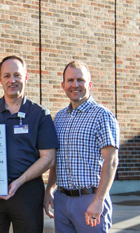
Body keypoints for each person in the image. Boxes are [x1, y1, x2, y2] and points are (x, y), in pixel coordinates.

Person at [0, 55, 58, 233]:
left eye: (17, 75)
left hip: (26, 193)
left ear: (26, 77)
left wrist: (18, 183)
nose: (12, 80)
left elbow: (48, 158)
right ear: (0, 79)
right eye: (7, 75)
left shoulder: (40, 114)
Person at [44, 60, 120, 233]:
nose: (75, 85)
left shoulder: (102, 116)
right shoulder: (60, 118)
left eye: (80, 80)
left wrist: (99, 200)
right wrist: (50, 189)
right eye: (70, 80)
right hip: (62, 200)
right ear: (63, 85)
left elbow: (111, 161)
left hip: (90, 200)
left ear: (90, 84)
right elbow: (57, 159)